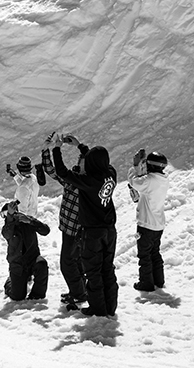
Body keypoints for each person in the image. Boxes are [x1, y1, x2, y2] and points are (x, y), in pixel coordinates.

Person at [50, 132, 118, 317]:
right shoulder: (110, 174)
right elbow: (97, 162)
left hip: (93, 232)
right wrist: (81, 147)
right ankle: (109, 307)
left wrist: (57, 148)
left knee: (94, 272)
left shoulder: (89, 182)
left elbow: (63, 172)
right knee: (107, 270)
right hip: (110, 231)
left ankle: (98, 308)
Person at [42, 133, 88, 305]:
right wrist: (79, 146)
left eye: (82, 161)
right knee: (76, 262)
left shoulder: (77, 181)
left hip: (73, 229)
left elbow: (53, 171)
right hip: (74, 228)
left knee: (67, 264)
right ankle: (79, 291)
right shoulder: (79, 179)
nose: (79, 162)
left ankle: (79, 295)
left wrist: (54, 149)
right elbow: (52, 171)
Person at [128, 149, 170, 292]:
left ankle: (146, 283)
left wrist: (135, 167)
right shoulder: (163, 179)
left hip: (146, 224)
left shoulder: (149, 180)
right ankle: (159, 280)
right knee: (155, 253)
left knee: (144, 255)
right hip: (158, 225)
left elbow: (133, 182)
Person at [0, 200, 51, 301]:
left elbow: (46, 230)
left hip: (32, 259)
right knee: (17, 296)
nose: (6, 216)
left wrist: (31, 221)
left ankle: (37, 295)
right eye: (5, 214)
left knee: (42, 264)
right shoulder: (8, 227)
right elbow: (7, 233)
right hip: (17, 265)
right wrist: (10, 217)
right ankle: (10, 281)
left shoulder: (28, 221)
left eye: (7, 213)